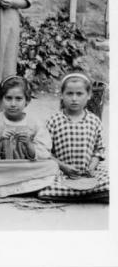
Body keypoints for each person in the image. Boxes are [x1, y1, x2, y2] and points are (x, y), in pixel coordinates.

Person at [0, 76, 59, 197]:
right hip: (1, 167)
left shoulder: (35, 123)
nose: (13, 104)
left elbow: (44, 153)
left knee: (51, 166)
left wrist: (29, 144)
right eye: (8, 98)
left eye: (18, 99)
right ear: (2, 99)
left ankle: (1, 186)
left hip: (25, 166)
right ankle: (27, 186)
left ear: (27, 101)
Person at [38, 73, 109, 203]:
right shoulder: (54, 120)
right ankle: (89, 195)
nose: (74, 98)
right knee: (44, 186)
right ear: (62, 95)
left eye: (79, 94)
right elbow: (44, 151)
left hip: (89, 173)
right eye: (69, 94)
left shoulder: (94, 121)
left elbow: (99, 150)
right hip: (61, 171)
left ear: (89, 96)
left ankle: (76, 193)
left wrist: (92, 167)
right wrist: (63, 167)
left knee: (109, 181)